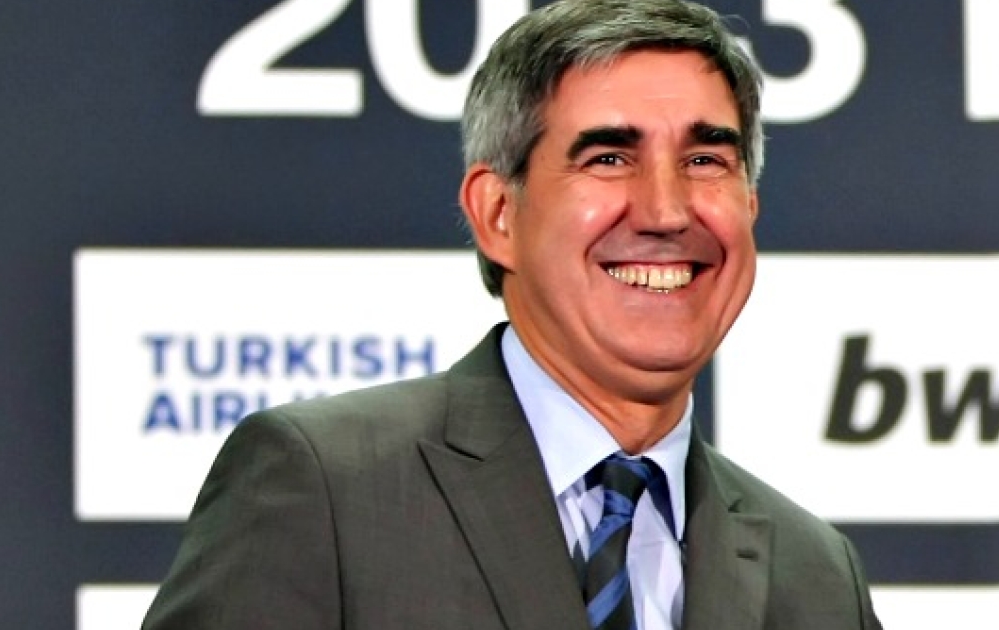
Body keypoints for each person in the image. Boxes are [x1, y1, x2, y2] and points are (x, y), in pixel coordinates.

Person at [141, 1, 884, 628]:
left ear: (749, 207)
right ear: (498, 214)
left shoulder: (816, 575)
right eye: (608, 158)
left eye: (705, 161)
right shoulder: (326, 490)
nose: (666, 211)